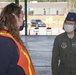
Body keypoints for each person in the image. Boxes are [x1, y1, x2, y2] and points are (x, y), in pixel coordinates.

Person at [0, 3, 36, 75]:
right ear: (16, 18)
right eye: (22, 18)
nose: (23, 22)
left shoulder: (10, 37)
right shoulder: (5, 42)